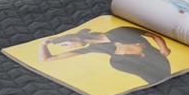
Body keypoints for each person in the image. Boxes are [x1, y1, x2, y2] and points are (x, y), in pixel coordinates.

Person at [37, 27, 173, 86]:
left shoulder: (117, 31)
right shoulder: (91, 49)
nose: (70, 47)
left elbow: (154, 36)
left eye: (67, 44)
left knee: (116, 60)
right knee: (115, 62)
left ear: (74, 37)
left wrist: (163, 48)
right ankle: (154, 84)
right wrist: (43, 44)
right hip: (144, 70)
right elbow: (47, 59)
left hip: (156, 60)